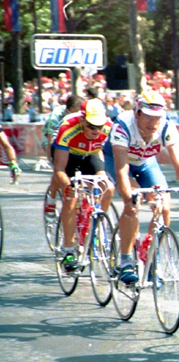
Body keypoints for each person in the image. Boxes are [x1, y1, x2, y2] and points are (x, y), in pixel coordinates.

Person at [104, 90, 179, 284]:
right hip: (119, 163)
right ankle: (125, 261)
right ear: (137, 113)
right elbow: (122, 172)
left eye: (157, 118)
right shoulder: (123, 126)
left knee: (164, 206)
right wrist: (129, 199)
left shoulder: (166, 126)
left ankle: (150, 258)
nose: (153, 123)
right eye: (148, 117)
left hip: (146, 162)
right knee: (133, 203)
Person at [51, 98, 115, 272]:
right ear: (82, 121)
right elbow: (59, 169)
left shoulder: (109, 127)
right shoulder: (68, 128)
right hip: (68, 156)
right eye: (91, 126)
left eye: (99, 127)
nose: (96, 131)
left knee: (108, 187)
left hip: (91, 154)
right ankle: (69, 251)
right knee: (70, 198)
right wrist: (68, 186)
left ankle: (97, 224)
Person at [42, 96, 85, 221]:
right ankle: (52, 198)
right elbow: (51, 140)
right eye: (75, 112)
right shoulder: (56, 116)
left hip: (72, 140)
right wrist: (53, 161)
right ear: (67, 111)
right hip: (53, 138)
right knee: (59, 169)